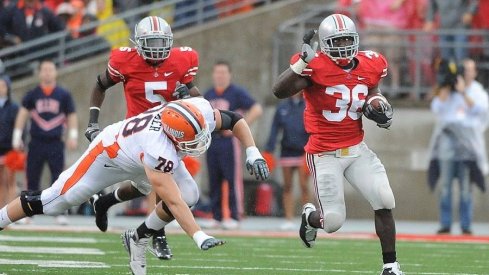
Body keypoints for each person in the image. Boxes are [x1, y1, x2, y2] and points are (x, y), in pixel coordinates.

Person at [0, 98, 269, 275]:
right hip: (109, 155)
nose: (199, 142)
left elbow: (234, 119)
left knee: (190, 194)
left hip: (140, 154)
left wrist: (252, 151)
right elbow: (171, 201)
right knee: (55, 201)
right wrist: (199, 235)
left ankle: (137, 237)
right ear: (174, 136)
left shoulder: (195, 113)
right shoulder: (158, 147)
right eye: (192, 139)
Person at [272, 14, 402, 275]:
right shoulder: (314, 65)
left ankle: (390, 265)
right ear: (325, 43)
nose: (343, 45)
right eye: (337, 40)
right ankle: (309, 217)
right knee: (332, 222)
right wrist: (302, 64)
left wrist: (379, 107)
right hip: (324, 153)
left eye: (347, 40)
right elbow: (279, 91)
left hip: (356, 148)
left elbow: (372, 91)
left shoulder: (371, 63)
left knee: (385, 199)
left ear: (355, 40)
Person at [85, 15, 201, 260]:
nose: (157, 50)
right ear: (138, 43)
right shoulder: (124, 60)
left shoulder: (182, 59)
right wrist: (92, 122)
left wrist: (187, 94)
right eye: (152, 43)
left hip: (169, 129)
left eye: (161, 43)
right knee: (161, 179)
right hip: (137, 132)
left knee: (145, 185)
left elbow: (195, 94)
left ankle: (105, 202)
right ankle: (157, 235)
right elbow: (99, 85)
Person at [12, 60, 78, 224]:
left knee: (59, 177)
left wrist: (73, 135)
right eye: (45, 70)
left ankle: (60, 212)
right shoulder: (32, 94)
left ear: (55, 72)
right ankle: (26, 212)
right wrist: (17, 135)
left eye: (51, 69)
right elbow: (22, 114)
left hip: (56, 141)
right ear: (40, 73)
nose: (48, 73)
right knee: (32, 177)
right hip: (36, 141)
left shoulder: (63, 94)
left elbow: (71, 115)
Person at [428, 58, 488, 235]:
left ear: (475, 72)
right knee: (445, 186)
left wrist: (463, 93)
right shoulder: (449, 88)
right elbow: (437, 107)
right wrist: (446, 88)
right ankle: (445, 223)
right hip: (447, 141)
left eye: (470, 69)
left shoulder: (478, 91)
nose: (466, 72)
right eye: (465, 69)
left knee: (465, 187)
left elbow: (481, 110)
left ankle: (466, 224)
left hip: (467, 144)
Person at [203, 60, 263, 229]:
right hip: (212, 141)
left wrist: (238, 127)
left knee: (232, 179)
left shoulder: (236, 93)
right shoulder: (208, 94)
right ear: (213, 75)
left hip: (229, 142)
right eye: (217, 72)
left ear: (229, 75)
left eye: (223, 72)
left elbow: (256, 109)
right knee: (214, 179)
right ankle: (216, 215)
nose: (220, 76)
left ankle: (235, 215)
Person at [264, 91, 309, 231]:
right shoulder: (282, 107)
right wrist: (268, 150)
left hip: (304, 151)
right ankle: (289, 219)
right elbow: (274, 129)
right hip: (287, 151)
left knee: (303, 185)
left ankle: (307, 218)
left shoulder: (308, 105)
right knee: (287, 186)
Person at [0, 76, 19, 207]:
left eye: (3, 86)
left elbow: (18, 127)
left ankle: (10, 211)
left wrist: (17, 144)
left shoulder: (13, 107)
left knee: (9, 181)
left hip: (8, 149)